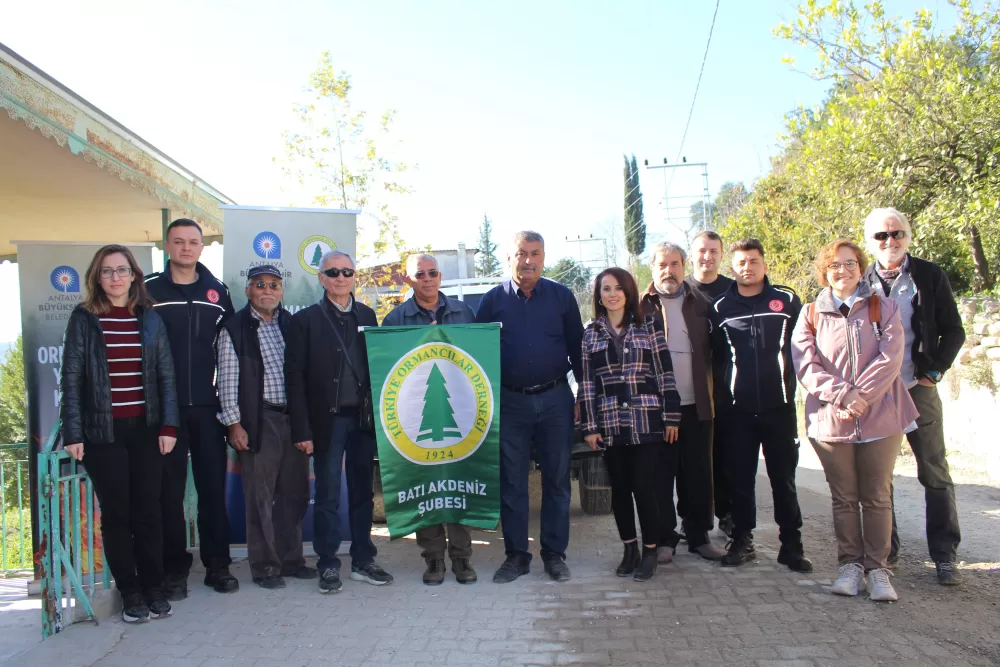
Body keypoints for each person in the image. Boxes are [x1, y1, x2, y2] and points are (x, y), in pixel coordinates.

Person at [792, 239, 919, 602]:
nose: (842, 270)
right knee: (844, 498)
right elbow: (806, 364)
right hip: (832, 420)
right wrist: (843, 396)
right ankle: (849, 565)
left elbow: (891, 357)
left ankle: (878, 570)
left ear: (861, 267)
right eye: (834, 264)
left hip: (881, 417)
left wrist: (860, 396)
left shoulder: (886, 307)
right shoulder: (811, 313)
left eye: (850, 263)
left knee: (877, 496)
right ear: (824, 271)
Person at [60, 245, 179, 623]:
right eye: (107, 271)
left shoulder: (150, 318)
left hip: (146, 430)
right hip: (102, 434)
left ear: (134, 276)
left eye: (122, 270)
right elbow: (73, 378)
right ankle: (130, 593)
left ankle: (154, 588)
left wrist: (169, 425)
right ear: (97, 277)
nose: (115, 277)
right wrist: (74, 432)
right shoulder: (84, 319)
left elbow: (166, 375)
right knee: (117, 515)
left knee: (148, 512)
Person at [862, 207, 965, 585]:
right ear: (869, 240)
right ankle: (885, 551)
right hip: (878, 394)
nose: (890, 241)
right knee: (878, 477)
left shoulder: (929, 275)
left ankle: (944, 555)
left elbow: (954, 330)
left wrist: (933, 373)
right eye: (881, 236)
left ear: (908, 235)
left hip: (916, 388)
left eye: (897, 234)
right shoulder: (860, 280)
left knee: (934, 472)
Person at [475, 231, 584, 584]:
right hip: (510, 402)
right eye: (522, 253)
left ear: (543, 256)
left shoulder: (562, 297)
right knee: (512, 483)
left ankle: (554, 555)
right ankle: (517, 556)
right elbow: (476, 358)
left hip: (555, 400)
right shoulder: (492, 302)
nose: (528, 261)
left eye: (535, 253)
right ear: (510, 258)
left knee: (556, 480)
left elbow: (578, 350)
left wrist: (585, 396)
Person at [286, 250, 393, 594]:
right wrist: (302, 429)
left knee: (363, 493)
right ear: (322, 278)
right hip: (326, 423)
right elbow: (295, 379)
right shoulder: (305, 320)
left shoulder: (366, 314)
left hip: (361, 423)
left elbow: (378, 368)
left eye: (347, 272)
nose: (341, 278)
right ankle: (328, 564)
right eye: (333, 272)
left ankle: (364, 560)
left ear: (354, 276)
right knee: (329, 494)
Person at [145, 218, 238, 597]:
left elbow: (230, 351)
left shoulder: (217, 291)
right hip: (162, 412)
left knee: (213, 490)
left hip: (206, 407)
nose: (186, 248)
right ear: (167, 245)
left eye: (193, 242)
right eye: (179, 242)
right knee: (168, 493)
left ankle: (218, 566)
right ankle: (174, 569)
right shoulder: (147, 290)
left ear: (202, 247)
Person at [709, 238, 812, 573]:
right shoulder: (721, 308)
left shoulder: (786, 300)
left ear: (764, 264)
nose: (747, 268)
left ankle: (791, 545)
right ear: (732, 267)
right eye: (740, 262)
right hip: (737, 412)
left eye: (753, 261)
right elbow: (715, 357)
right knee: (739, 479)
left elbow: (806, 349)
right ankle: (742, 540)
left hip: (779, 408)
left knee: (783, 478)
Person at [383, 253, 479, 585]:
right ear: (409, 280)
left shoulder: (463, 313)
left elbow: (478, 361)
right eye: (419, 274)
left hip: (460, 415)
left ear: (440, 276)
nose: (427, 278)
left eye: (433, 272)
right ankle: (434, 558)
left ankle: (462, 558)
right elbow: (387, 371)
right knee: (426, 487)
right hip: (415, 419)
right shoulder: (396, 319)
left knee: (456, 485)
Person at [579, 267, 680, 582]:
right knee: (619, 491)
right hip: (609, 423)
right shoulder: (591, 332)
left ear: (629, 292)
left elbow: (665, 372)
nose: (612, 294)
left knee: (644, 487)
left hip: (646, 420)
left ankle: (651, 549)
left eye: (618, 288)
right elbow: (587, 384)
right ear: (599, 295)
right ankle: (630, 549)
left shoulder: (649, 326)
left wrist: (672, 416)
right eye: (605, 289)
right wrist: (590, 427)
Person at [216, 265, 314, 590]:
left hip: (293, 419)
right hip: (259, 419)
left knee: (294, 494)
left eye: (274, 285)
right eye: (261, 285)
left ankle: (291, 559)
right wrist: (234, 424)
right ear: (248, 290)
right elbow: (228, 380)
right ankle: (265, 566)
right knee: (260, 498)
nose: (268, 290)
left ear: (281, 291)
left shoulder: (290, 324)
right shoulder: (234, 327)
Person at [641, 243, 726, 563]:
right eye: (662, 264)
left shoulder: (701, 302)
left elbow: (719, 352)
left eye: (675, 264)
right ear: (652, 267)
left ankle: (698, 535)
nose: (669, 270)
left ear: (684, 266)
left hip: (698, 404)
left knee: (698, 474)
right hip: (658, 410)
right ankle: (665, 538)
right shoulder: (641, 307)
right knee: (661, 475)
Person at [685, 230, 736, 536]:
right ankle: (690, 519)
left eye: (714, 251)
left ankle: (728, 515)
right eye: (702, 250)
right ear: (693, 255)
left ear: (721, 255)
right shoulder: (680, 289)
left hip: (727, 385)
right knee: (693, 461)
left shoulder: (733, 289)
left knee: (726, 454)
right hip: (691, 388)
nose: (707, 256)